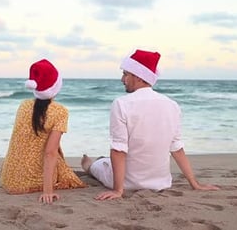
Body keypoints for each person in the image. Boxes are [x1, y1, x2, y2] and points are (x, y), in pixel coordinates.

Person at [81, 49, 219, 200]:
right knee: (109, 160)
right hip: (161, 183)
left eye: (126, 74)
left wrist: (118, 190)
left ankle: (91, 166)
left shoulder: (121, 104)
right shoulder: (172, 105)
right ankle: (100, 161)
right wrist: (195, 184)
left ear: (139, 77)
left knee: (99, 166)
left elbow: (119, 150)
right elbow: (177, 148)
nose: (122, 79)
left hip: (128, 182)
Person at [1, 59, 86, 203]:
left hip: (9, 180)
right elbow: (50, 152)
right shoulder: (60, 111)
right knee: (65, 171)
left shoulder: (23, 105)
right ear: (56, 86)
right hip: (32, 182)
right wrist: (48, 191)